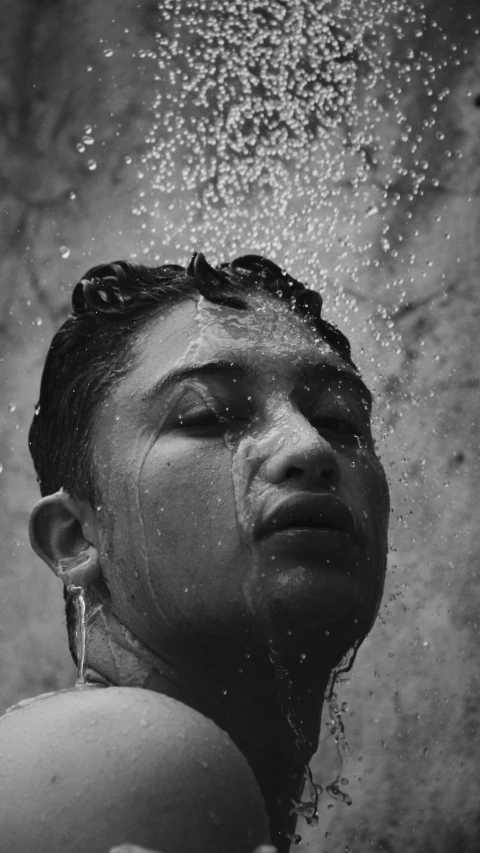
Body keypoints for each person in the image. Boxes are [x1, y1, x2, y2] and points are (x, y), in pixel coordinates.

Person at [0, 253, 389, 853]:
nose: (310, 447)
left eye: (338, 421)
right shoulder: (120, 756)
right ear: (77, 538)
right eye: (208, 416)